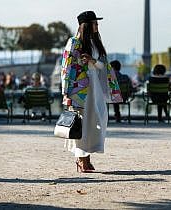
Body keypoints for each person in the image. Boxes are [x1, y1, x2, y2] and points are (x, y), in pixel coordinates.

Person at [61, 11, 122, 173]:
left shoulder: (96, 43)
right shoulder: (73, 43)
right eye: (95, 23)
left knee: (98, 120)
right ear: (86, 25)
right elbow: (66, 68)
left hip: (96, 89)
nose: (97, 25)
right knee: (83, 123)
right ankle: (82, 159)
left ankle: (85, 157)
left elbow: (105, 66)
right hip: (79, 90)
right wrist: (65, 92)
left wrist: (92, 61)